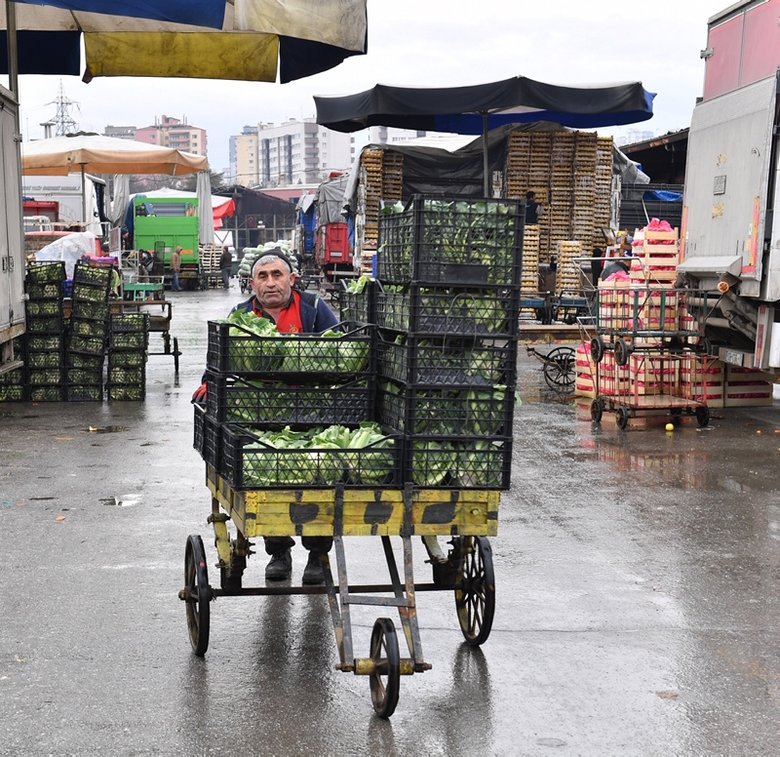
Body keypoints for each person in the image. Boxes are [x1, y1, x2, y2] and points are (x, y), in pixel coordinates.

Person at [194, 248, 339, 584]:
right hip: (260, 413)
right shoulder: (241, 314)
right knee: (266, 476)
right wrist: (207, 385)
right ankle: (278, 550)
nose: (271, 283)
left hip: (311, 412)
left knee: (317, 478)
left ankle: (317, 553)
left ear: (292, 279)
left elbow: (340, 351)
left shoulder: (314, 309)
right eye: (263, 276)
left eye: (277, 275)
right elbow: (218, 360)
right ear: (252, 283)